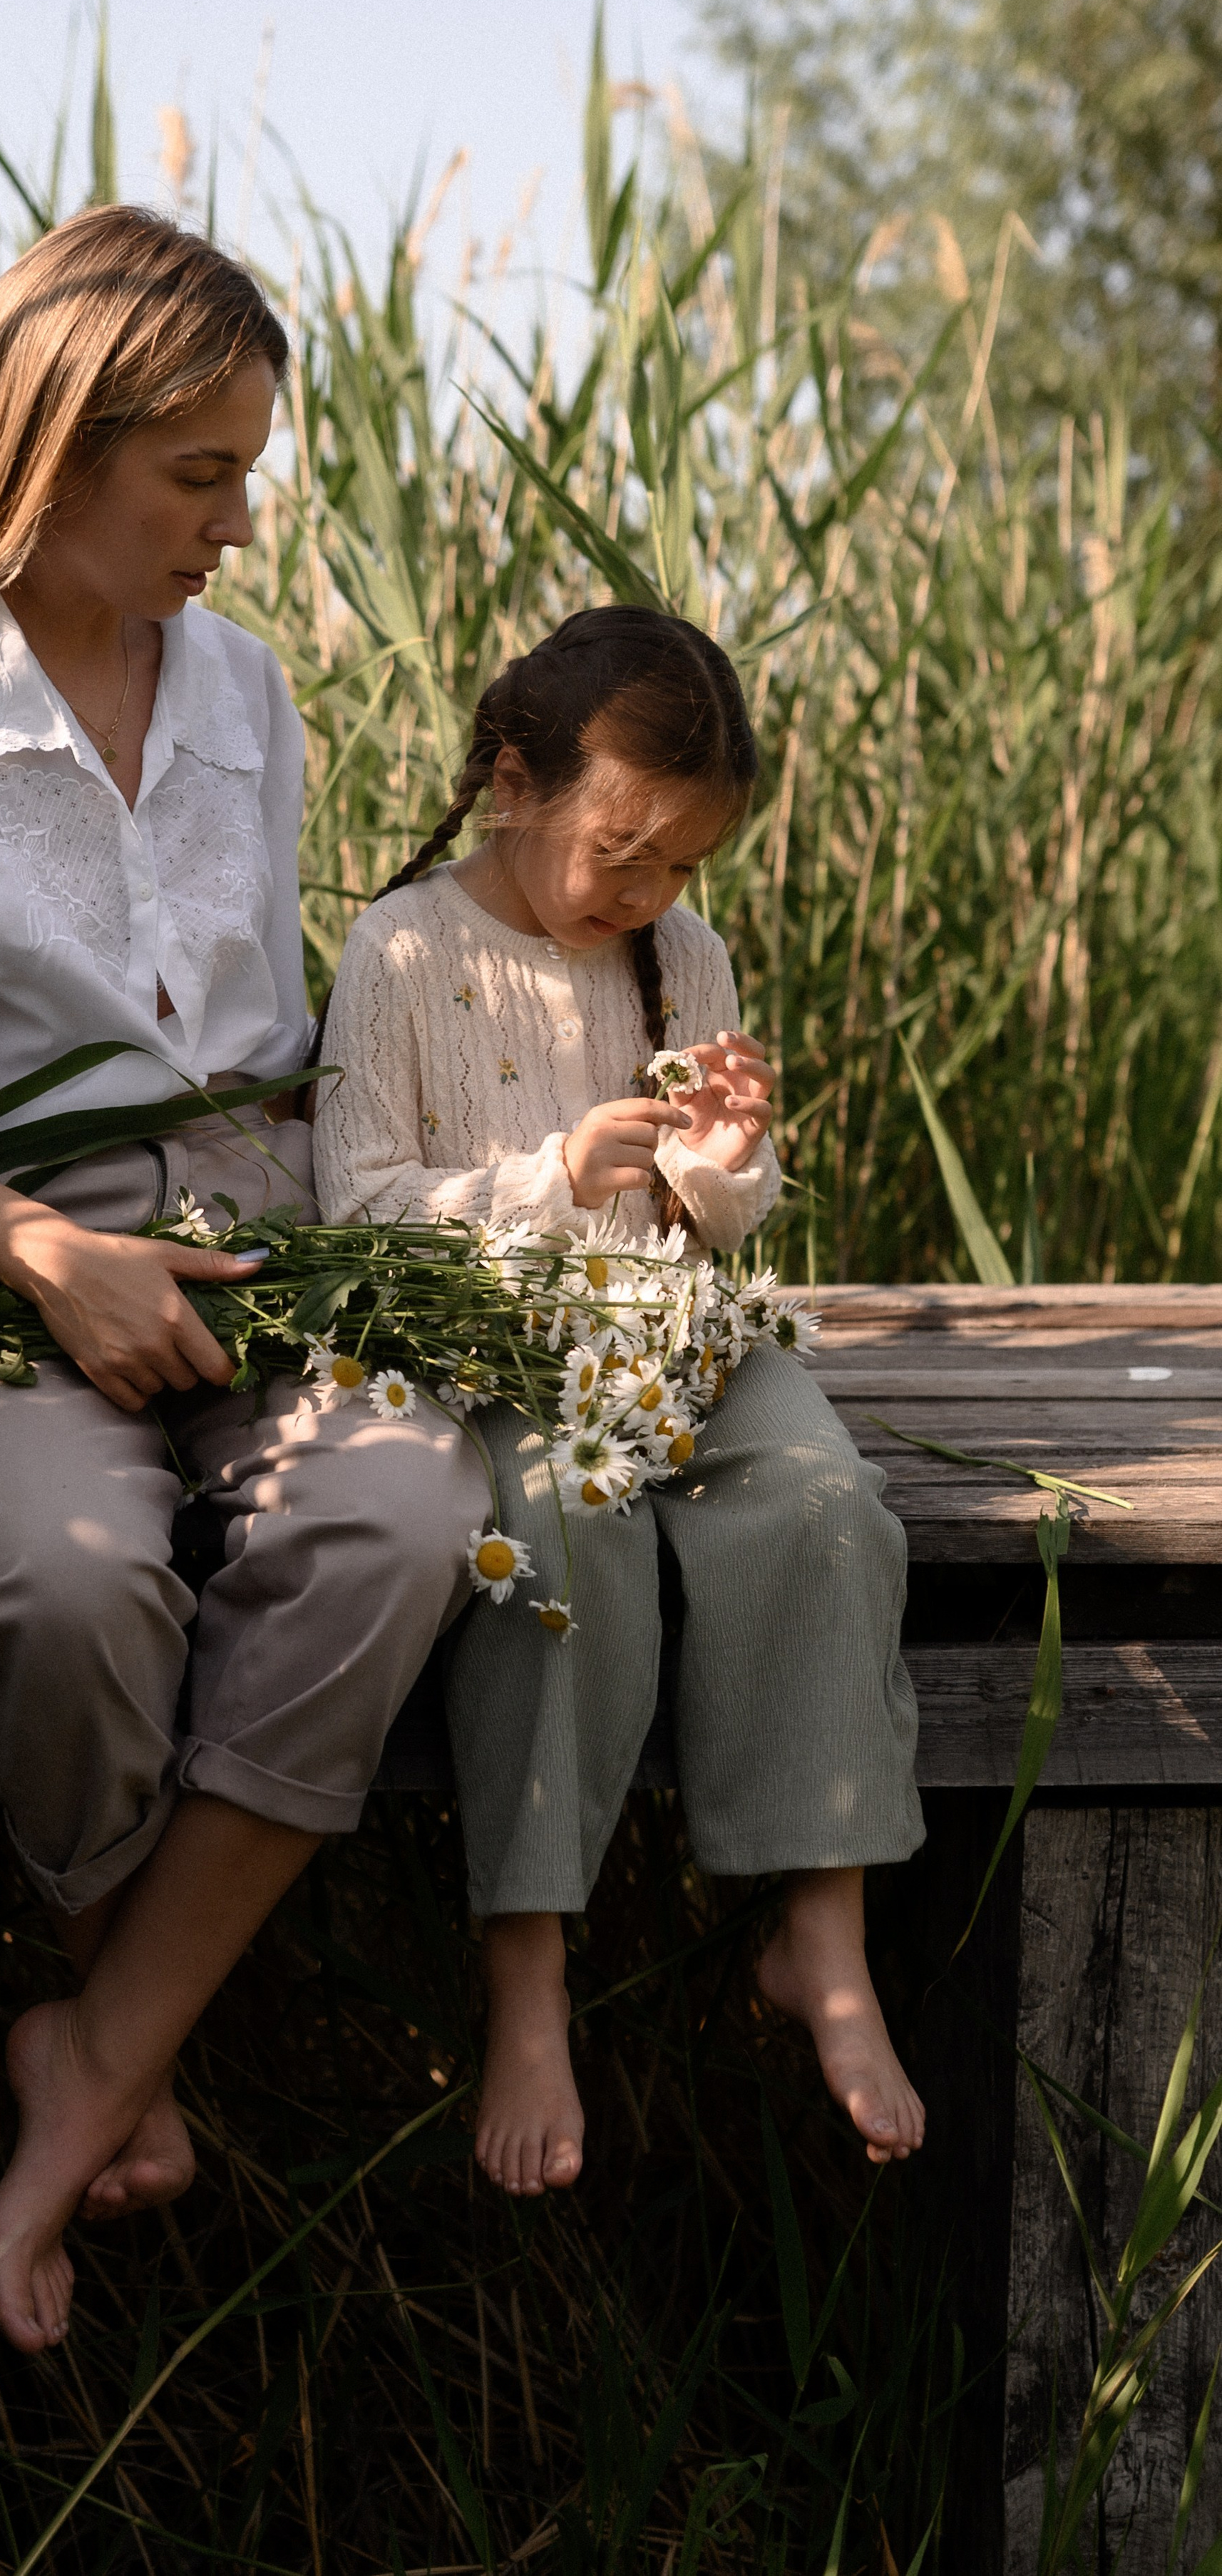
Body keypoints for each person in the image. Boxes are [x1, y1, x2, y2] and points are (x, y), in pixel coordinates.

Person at [0, 206, 484, 2354]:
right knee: (60, 1579)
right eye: (199, 474)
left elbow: (268, 1020)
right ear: (51, 448)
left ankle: (97, 2055)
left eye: (248, 472)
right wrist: (40, 1250)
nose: (239, 524)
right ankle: (124, 2037)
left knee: (398, 1513)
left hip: (266, 1218)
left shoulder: (243, 684)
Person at [312, 607, 926, 2197]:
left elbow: (716, 1215)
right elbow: (358, 1210)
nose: (645, 894)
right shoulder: (403, 952)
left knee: (826, 1504)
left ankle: (823, 1933)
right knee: (565, 1537)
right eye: (620, 852)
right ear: (513, 780)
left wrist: (723, 1165)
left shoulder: (680, 953)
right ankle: (528, 1974)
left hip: (676, 1329)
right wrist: (548, 1177)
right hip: (509, 1352)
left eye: (680, 865)